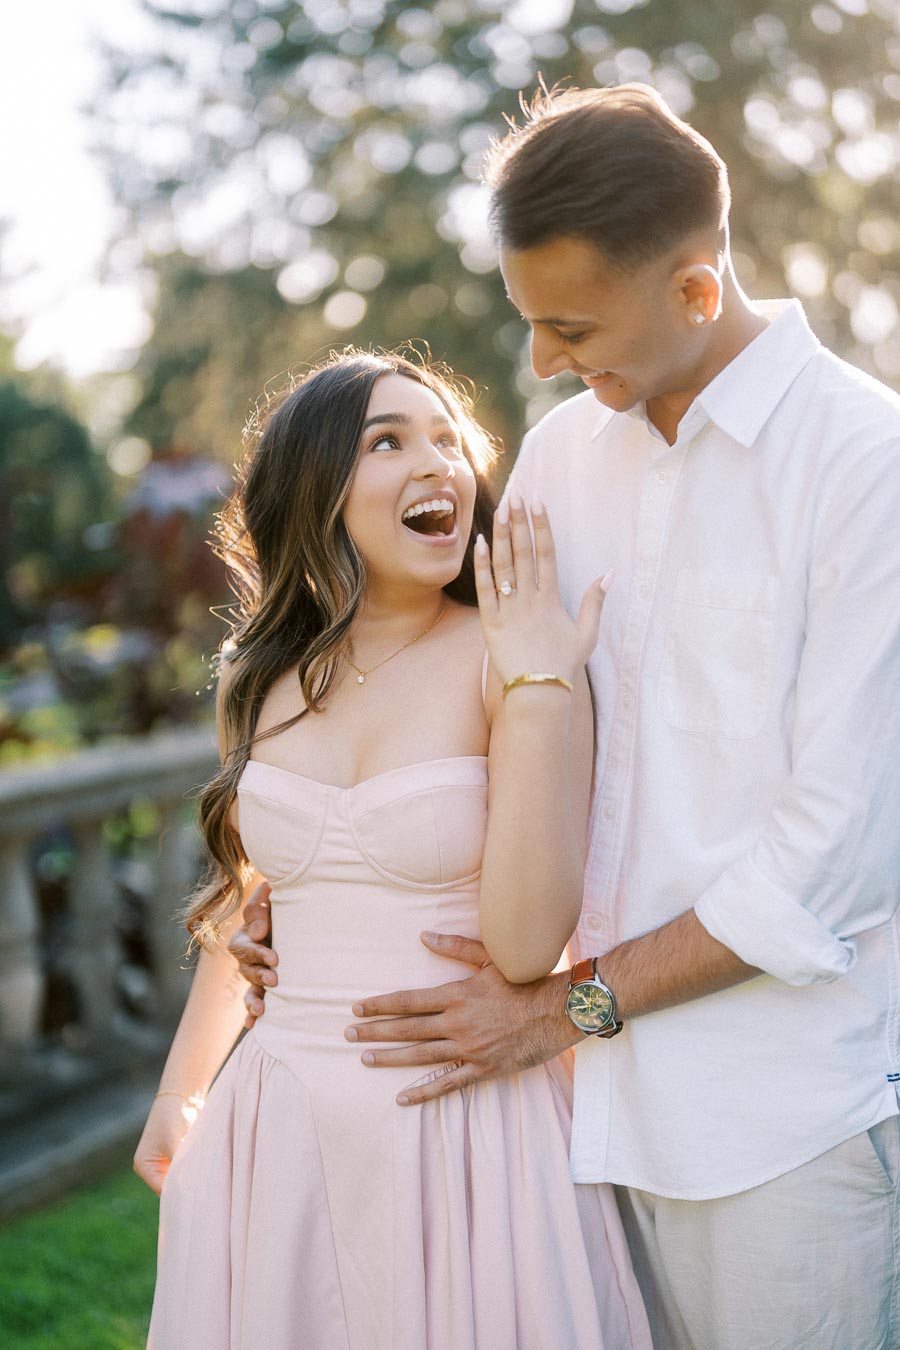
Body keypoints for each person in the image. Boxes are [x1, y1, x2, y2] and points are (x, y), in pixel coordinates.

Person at [234, 86, 900, 1349]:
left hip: (768, 1133)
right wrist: (319, 896)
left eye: (570, 326)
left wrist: (558, 1011)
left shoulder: (867, 468)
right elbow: (452, 707)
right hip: (542, 1135)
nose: (541, 362)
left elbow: (832, 862)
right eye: (531, 322)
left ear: (697, 290)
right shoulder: (557, 458)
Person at [135, 348, 651, 1349]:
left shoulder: (516, 656)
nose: (439, 465)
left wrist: (543, 692)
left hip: (460, 1122)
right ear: (317, 490)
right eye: (390, 441)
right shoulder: (258, 674)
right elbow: (252, 897)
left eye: (449, 440)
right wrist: (180, 1091)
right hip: (276, 1118)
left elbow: (521, 946)